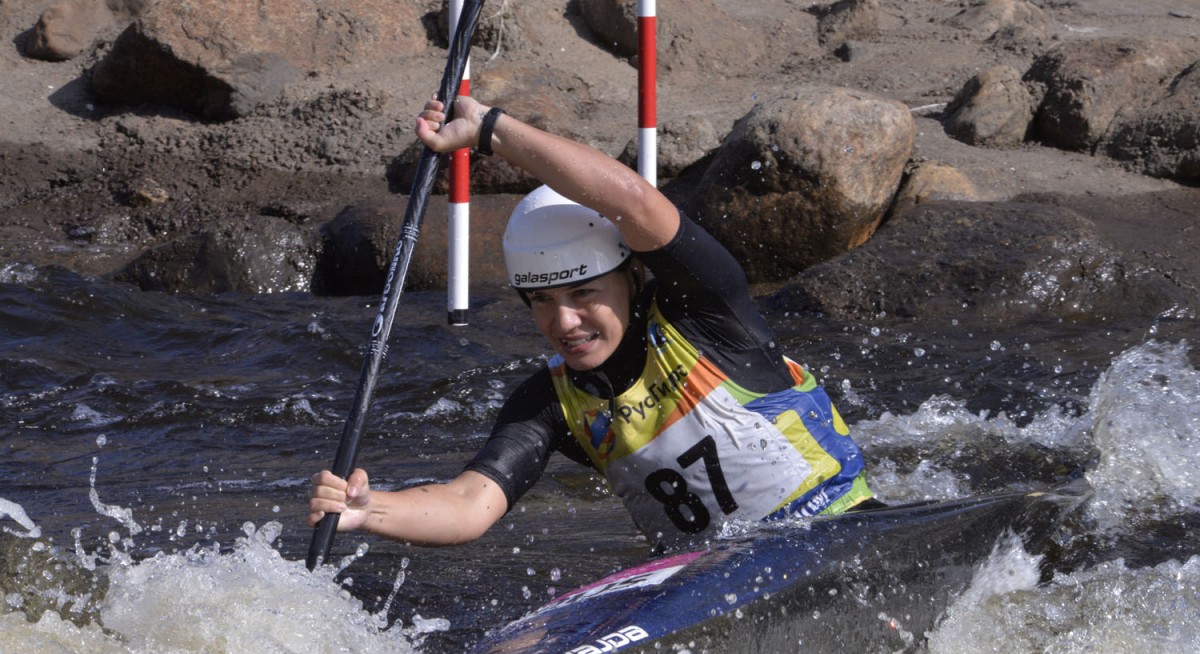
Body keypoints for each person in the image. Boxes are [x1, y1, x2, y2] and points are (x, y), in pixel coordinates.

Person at [308, 93, 874, 551]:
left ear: (632, 276)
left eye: (584, 293)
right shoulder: (553, 403)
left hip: (840, 528)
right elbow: (468, 504)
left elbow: (633, 202)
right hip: (714, 580)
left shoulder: (704, 312)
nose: (565, 321)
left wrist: (489, 129)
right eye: (542, 300)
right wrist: (368, 510)